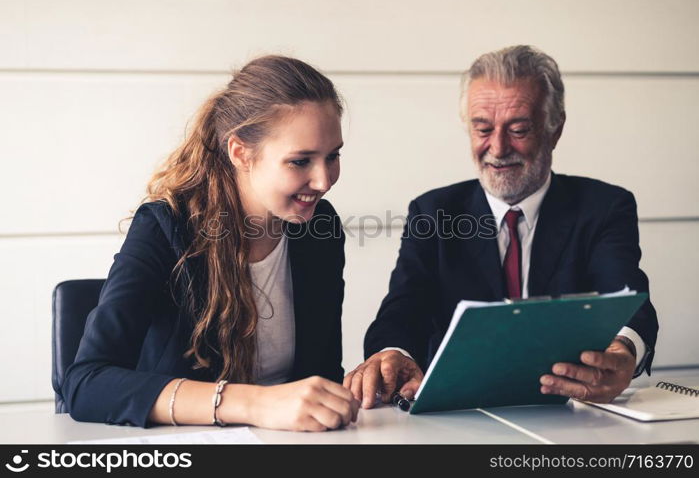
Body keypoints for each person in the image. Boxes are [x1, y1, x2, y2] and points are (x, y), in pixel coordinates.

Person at [344, 45, 659, 409]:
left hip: (573, 414)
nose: (497, 147)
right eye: (482, 129)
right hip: (453, 417)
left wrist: (624, 351)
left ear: (554, 129)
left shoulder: (604, 207)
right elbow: (404, 306)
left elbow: (628, 298)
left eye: (519, 129)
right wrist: (391, 353)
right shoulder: (433, 211)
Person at [61, 55, 359, 431]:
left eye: (332, 156)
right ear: (240, 152)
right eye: (300, 161)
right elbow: (85, 384)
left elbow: (321, 374)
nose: (324, 180)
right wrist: (253, 403)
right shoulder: (166, 227)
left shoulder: (320, 228)